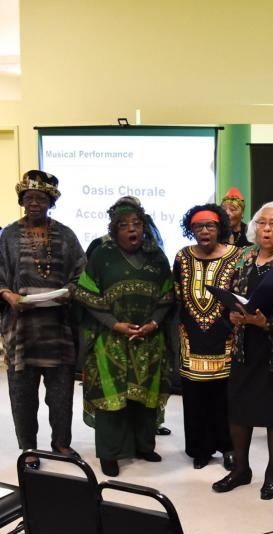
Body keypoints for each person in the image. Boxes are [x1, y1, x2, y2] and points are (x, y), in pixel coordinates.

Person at [0, 170, 86, 466]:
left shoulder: (65, 235)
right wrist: (7, 295)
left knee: (61, 392)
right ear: (21, 201)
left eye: (41, 198)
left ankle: (61, 444)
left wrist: (70, 291)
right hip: (21, 330)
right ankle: (28, 447)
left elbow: (82, 273)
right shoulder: (7, 235)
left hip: (58, 329)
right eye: (29, 198)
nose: (34, 204)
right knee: (23, 394)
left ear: (51, 201)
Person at [213, 203, 273, 500]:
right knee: (239, 408)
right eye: (262, 223)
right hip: (245, 345)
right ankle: (241, 469)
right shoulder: (243, 254)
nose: (266, 229)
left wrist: (268, 322)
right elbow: (228, 289)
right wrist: (229, 312)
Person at [76, 196, 174, 477]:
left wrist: (153, 324)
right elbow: (86, 293)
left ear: (144, 227)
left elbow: (167, 296)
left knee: (145, 399)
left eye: (137, 223)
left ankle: (144, 446)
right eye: (124, 225)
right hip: (111, 340)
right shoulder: (101, 257)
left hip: (148, 340)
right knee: (112, 399)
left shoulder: (157, 257)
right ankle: (109, 453)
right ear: (114, 230)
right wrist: (114, 324)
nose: (132, 229)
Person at [172, 204, 239, 470]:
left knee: (225, 397)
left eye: (210, 226)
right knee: (195, 396)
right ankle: (200, 449)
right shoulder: (182, 256)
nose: (204, 231)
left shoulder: (237, 256)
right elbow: (177, 294)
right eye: (198, 226)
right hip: (191, 337)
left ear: (220, 227)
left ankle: (228, 447)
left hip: (226, 337)